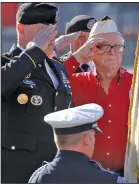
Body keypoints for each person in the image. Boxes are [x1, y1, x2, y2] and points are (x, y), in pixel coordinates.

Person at [1, 3, 72, 182]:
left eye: (53, 30)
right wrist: (34, 52)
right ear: (20, 29)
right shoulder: (6, 63)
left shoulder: (57, 68)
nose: (51, 36)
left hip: (54, 171)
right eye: (44, 31)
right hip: (17, 172)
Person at [61, 16, 133, 175]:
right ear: (91, 51)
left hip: (125, 174)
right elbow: (52, 80)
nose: (112, 53)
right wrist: (78, 57)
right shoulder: (77, 81)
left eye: (117, 47)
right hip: (86, 175)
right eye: (104, 46)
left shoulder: (135, 83)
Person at [28, 103, 128, 183]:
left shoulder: (39, 177)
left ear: (56, 139)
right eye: (93, 136)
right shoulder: (111, 180)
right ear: (86, 139)